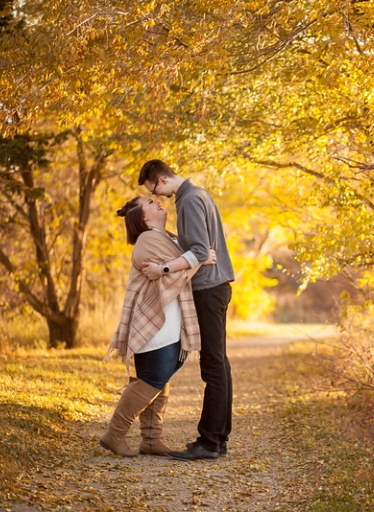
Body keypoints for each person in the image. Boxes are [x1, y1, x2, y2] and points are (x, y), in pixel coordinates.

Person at [100, 196, 215, 457]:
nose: (159, 202)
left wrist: (193, 260)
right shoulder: (148, 240)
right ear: (141, 216)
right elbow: (173, 276)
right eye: (151, 202)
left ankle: (151, 439)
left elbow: (176, 268)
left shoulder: (168, 238)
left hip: (169, 322)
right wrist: (199, 260)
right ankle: (114, 435)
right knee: (152, 379)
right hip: (153, 324)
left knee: (161, 379)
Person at [138, 159, 235, 461]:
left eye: (153, 189)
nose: (157, 196)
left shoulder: (189, 200)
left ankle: (209, 442)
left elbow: (200, 251)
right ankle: (218, 439)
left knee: (213, 366)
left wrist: (163, 268)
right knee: (219, 364)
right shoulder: (198, 193)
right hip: (217, 286)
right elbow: (198, 246)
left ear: (162, 179)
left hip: (208, 289)